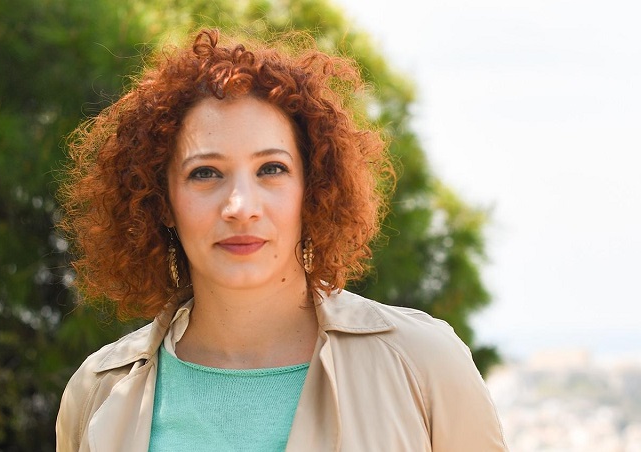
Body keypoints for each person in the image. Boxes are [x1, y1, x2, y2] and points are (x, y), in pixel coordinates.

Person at [56, 28, 508, 452]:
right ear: (162, 201)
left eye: (271, 169)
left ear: (312, 188)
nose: (240, 206)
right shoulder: (97, 392)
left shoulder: (424, 363)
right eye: (205, 173)